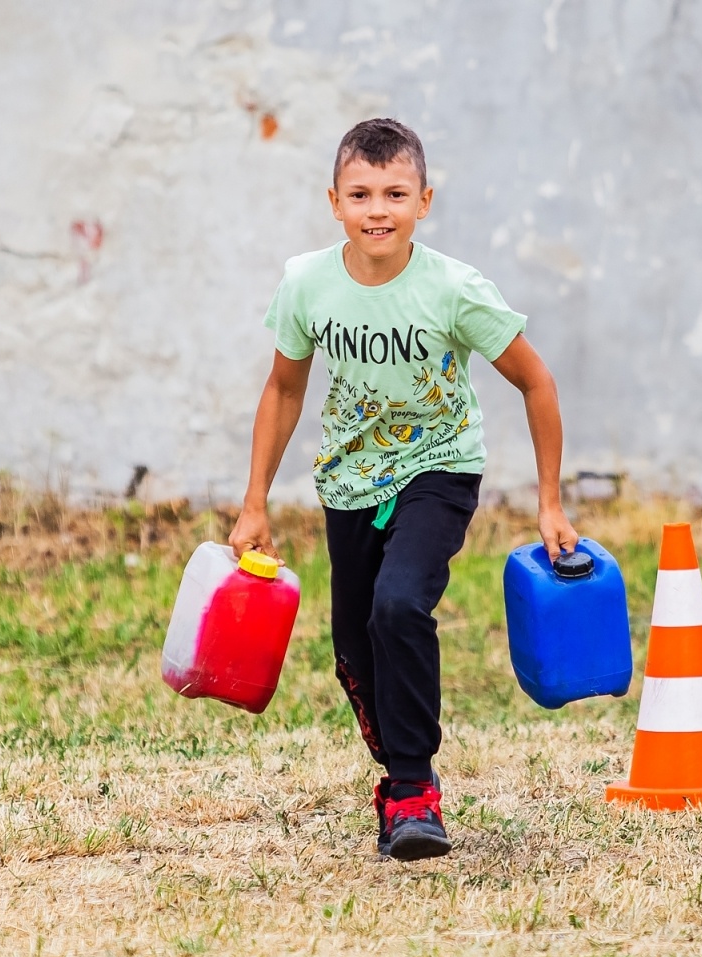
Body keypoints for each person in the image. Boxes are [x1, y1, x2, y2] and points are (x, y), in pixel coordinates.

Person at [228, 117, 578, 862]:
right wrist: (255, 499)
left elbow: (535, 381)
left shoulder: (453, 288)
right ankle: (398, 778)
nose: (377, 209)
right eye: (360, 193)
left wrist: (549, 501)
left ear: (424, 200)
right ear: (333, 201)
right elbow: (284, 390)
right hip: (349, 482)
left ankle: (415, 789)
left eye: (395, 193)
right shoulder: (307, 283)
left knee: (399, 605)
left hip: (439, 470)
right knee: (355, 649)